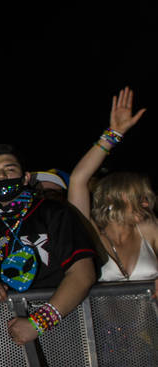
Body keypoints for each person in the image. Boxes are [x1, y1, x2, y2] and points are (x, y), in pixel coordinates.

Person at [0, 144, 97, 344]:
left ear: (26, 178)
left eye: (9, 169)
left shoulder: (55, 213)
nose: (1, 176)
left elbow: (83, 274)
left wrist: (39, 322)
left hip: (65, 327)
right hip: (5, 330)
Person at [67, 87, 158, 290]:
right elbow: (78, 180)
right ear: (113, 197)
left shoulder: (149, 229)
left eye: (147, 197)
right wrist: (114, 133)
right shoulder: (90, 231)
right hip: (102, 323)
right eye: (140, 196)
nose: (146, 203)